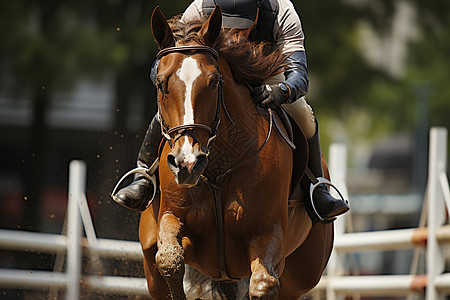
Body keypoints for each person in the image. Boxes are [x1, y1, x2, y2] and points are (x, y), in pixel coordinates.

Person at [112, 0, 349, 222]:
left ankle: (316, 187)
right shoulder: (199, 8)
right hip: (214, 75)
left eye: (243, 25)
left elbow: (299, 74)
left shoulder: (281, 10)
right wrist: (166, 76)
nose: (236, 35)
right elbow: (167, 61)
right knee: (180, 106)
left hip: (267, 75)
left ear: (257, 10)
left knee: (303, 113)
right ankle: (143, 176)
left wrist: (282, 91)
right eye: (228, 23)